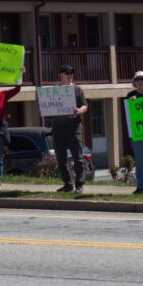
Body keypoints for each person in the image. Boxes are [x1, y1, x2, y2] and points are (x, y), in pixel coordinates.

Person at [50, 64, 89, 194]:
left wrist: (79, 110)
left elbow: (85, 106)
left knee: (77, 157)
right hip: (58, 127)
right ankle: (67, 184)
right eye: (68, 74)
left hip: (74, 127)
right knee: (61, 158)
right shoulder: (55, 90)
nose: (71, 76)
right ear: (61, 76)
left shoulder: (77, 89)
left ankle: (79, 184)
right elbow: (48, 105)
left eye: (72, 74)